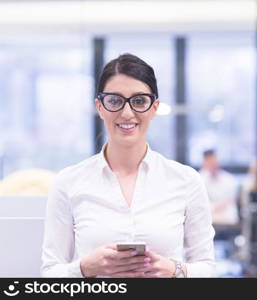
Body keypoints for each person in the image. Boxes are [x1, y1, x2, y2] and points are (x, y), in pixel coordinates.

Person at [41, 54, 215, 278]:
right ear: (100, 107)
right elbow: (48, 273)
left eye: (139, 101)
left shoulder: (186, 180)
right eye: (114, 101)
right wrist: (84, 268)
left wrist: (175, 270)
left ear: (154, 107)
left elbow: (207, 267)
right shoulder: (69, 181)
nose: (127, 113)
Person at [199, 149, 239, 227]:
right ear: (204, 163)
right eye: (209, 162)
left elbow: (229, 201)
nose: (213, 164)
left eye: (214, 162)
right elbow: (200, 203)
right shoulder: (199, 179)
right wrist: (214, 207)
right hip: (207, 216)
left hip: (226, 215)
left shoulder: (229, 180)